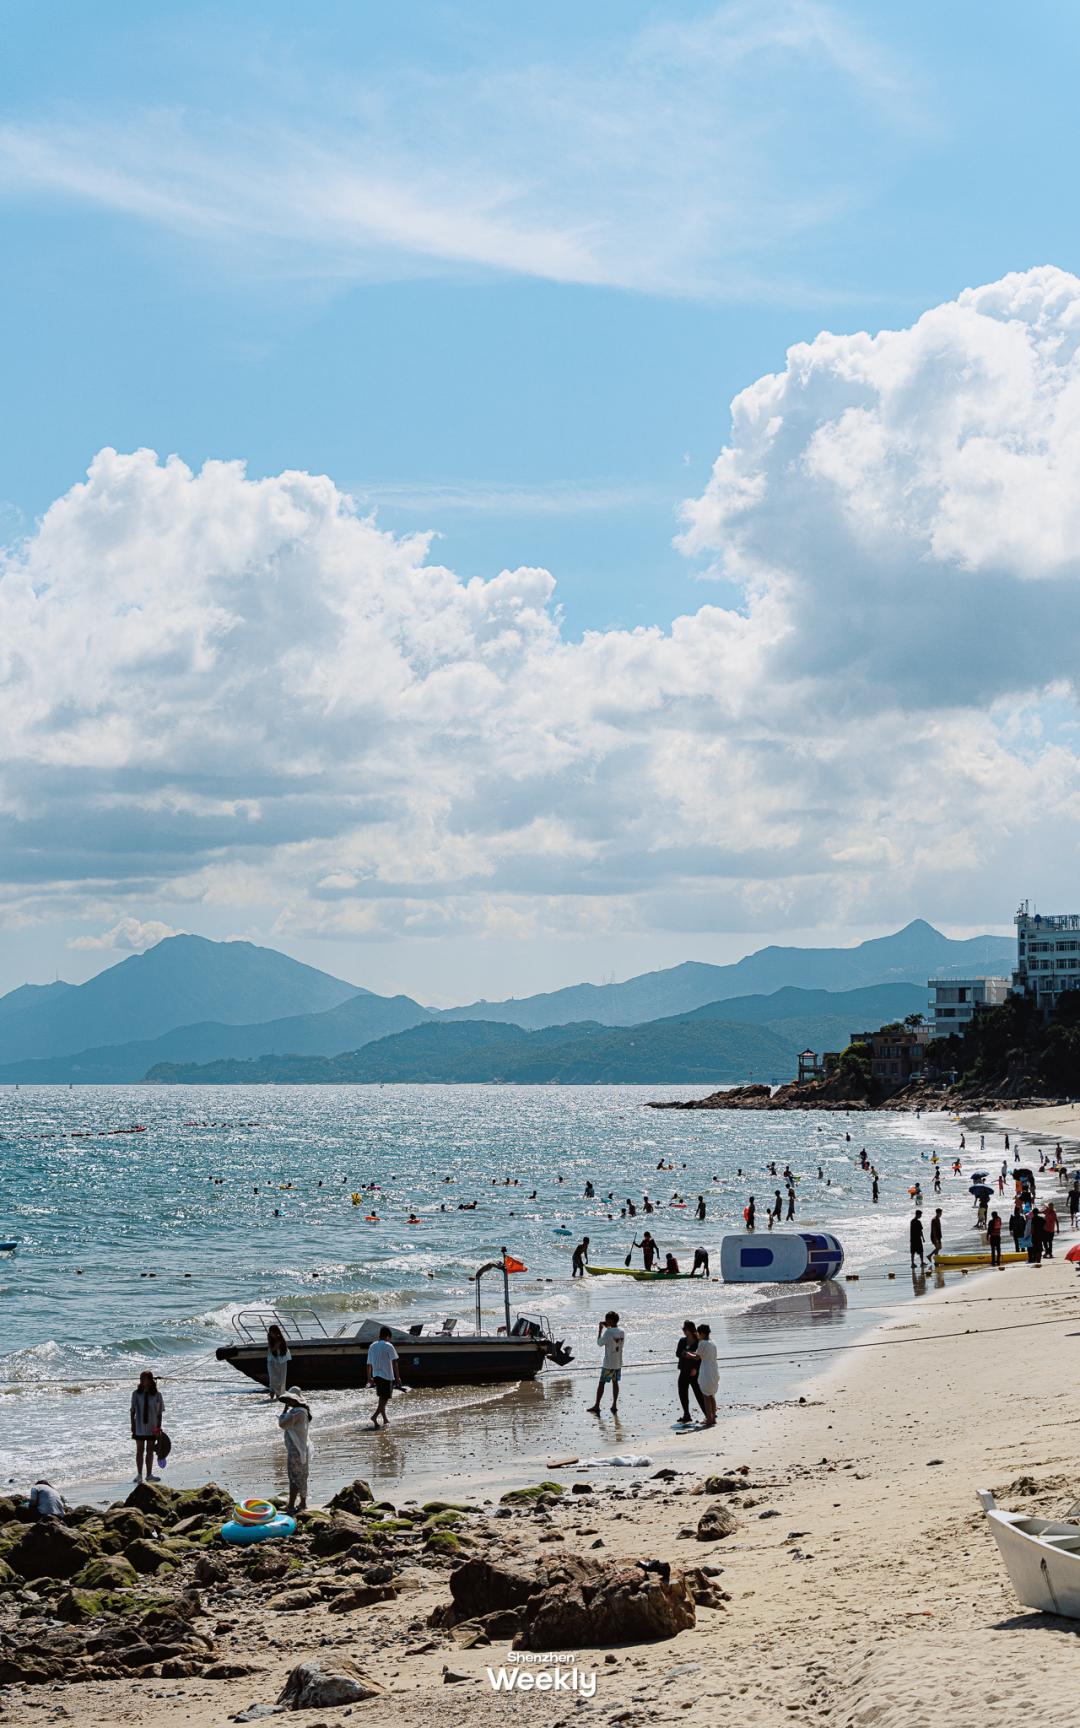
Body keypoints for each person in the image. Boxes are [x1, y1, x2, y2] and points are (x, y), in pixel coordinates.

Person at [278, 1388, 312, 1512]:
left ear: (295, 1400)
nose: (288, 1402)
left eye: (290, 1399)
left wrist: (284, 1410)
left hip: (296, 1450)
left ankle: (291, 1505)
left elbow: (282, 1424)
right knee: (302, 1476)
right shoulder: (302, 1411)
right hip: (302, 1448)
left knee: (294, 1477)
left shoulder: (297, 1413)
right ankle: (302, 1503)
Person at [587, 1311, 625, 1416]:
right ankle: (614, 1405)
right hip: (618, 1362)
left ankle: (597, 1405)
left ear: (611, 1320)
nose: (606, 1321)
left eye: (607, 1319)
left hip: (608, 1363)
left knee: (602, 1383)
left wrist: (600, 1330)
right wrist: (607, 1328)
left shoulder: (608, 1332)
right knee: (615, 1382)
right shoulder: (622, 1331)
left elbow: (599, 1343)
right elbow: (614, 1338)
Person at [130, 1370, 164, 1482]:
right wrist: (132, 1425)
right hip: (139, 1426)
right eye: (140, 1378)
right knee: (139, 1450)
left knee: (150, 1451)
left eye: (143, 1378)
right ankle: (139, 1474)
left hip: (152, 1427)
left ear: (150, 1380)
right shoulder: (136, 1394)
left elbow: (159, 1414)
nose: (141, 1380)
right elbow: (132, 1411)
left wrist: (158, 1428)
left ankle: (149, 1475)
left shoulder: (157, 1395)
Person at [366, 1325, 400, 1427]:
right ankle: (374, 1416)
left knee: (382, 1397)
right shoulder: (388, 1345)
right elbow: (395, 1362)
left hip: (376, 1375)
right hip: (386, 1375)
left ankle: (385, 1419)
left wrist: (369, 1378)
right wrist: (397, 1377)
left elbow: (368, 1364)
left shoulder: (372, 1346)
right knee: (385, 1399)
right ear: (388, 1336)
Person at [675, 1320, 707, 1425]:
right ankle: (686, 1415)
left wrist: (696, 1368)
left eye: (685, 1329)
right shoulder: (682, 1341)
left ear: (690, 1330)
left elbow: (701, 1357)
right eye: (683, 1329)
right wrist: (685, 1354)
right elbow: (678, 1353)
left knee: (698, 1393)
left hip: (694, 1372)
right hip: (683, 1370)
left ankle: (708, 1414)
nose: (683, 1331)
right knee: (682, 1392)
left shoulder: (698, 1342)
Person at [687, 1322, 718, 1428]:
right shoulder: (713, 1342)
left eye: (698, 1333)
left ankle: (709, 1419)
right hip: (714, 1369)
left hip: (706, 1370)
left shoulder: (703, 1343)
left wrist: (689, 1354)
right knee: (712, 1395)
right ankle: (713, 1418)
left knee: (705, 1395)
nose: (698, 1335)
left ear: (702, 1333)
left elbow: (697, 1357)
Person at [266, 1323, 291, 1401]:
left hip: (281, 1361)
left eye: (272, 1332)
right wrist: (276, 1345)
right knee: (272, 1378)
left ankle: (278, 1397)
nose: (271, 1334)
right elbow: (271, 1350)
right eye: (270, 1333)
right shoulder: (270, 1339)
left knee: (281, 1379)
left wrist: (278, 1344)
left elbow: (285, 1351)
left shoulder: (281, 1339)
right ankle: (272, 1397)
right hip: (271, 1361)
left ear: (276, 1332)